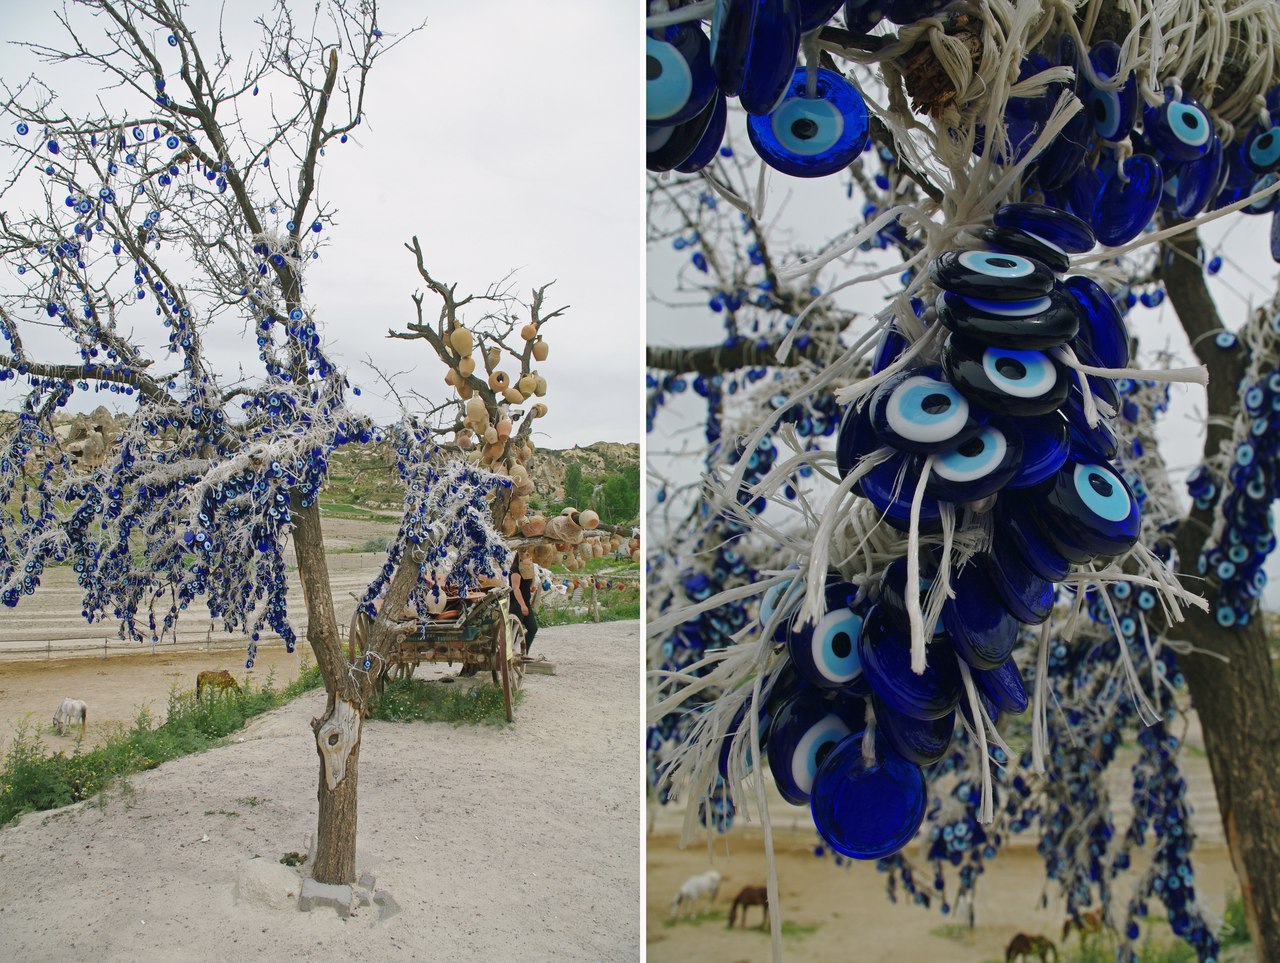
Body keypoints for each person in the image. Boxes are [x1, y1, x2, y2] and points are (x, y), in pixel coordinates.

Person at [509, 550, 539, 656]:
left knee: (533, 628)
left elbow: (529, 584)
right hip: (517, 604)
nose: (530, 559)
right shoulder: (515, 570)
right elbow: (515, 588)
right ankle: (508, 653)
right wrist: (522, 605)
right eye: (528, 557)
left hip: (526, 602)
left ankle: (524, 653)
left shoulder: (528, 569)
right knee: (514, 632)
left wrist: (532, 587)